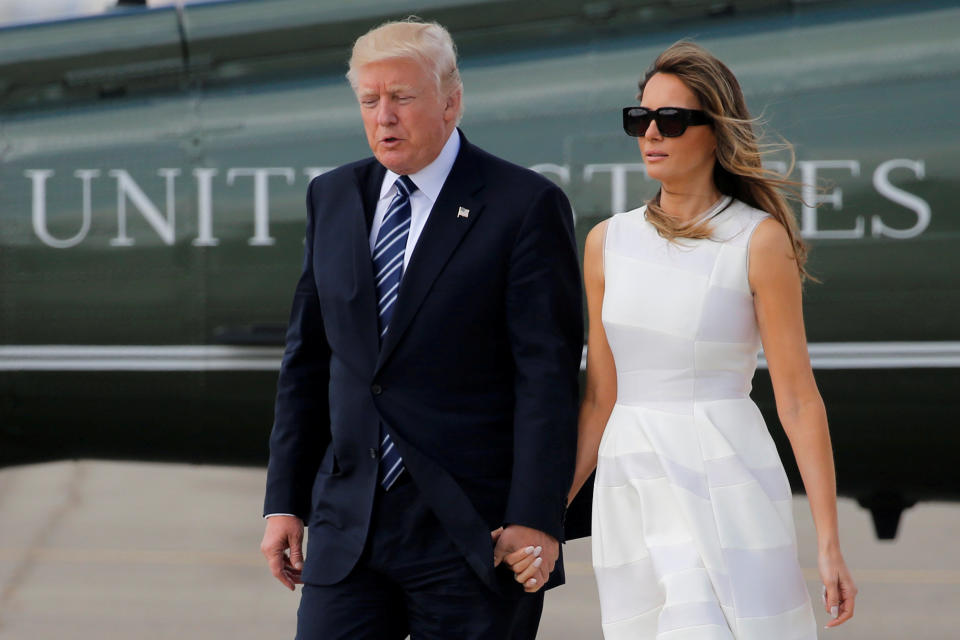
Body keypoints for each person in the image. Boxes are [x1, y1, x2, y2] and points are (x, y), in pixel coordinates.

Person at [518, 41, 858, 638]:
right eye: (639, 119)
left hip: (726, 474)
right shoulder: (607, 242)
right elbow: (600, 399)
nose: (651, 133)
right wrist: (546, 517)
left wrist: (829, 545)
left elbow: (799, 399)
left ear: (714, 130)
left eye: (670, 119)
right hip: (633, 481)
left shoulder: (758, 240)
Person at [258, 18, 583, 640]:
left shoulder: (523, 204)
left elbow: (546, 375)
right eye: (370, 101)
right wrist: (285, 502)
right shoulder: (332, 196)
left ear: (451, 101)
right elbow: (307, 362)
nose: (385, 117)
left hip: (472, 532)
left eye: (402, 98)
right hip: (347, 525)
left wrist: (536, 517)